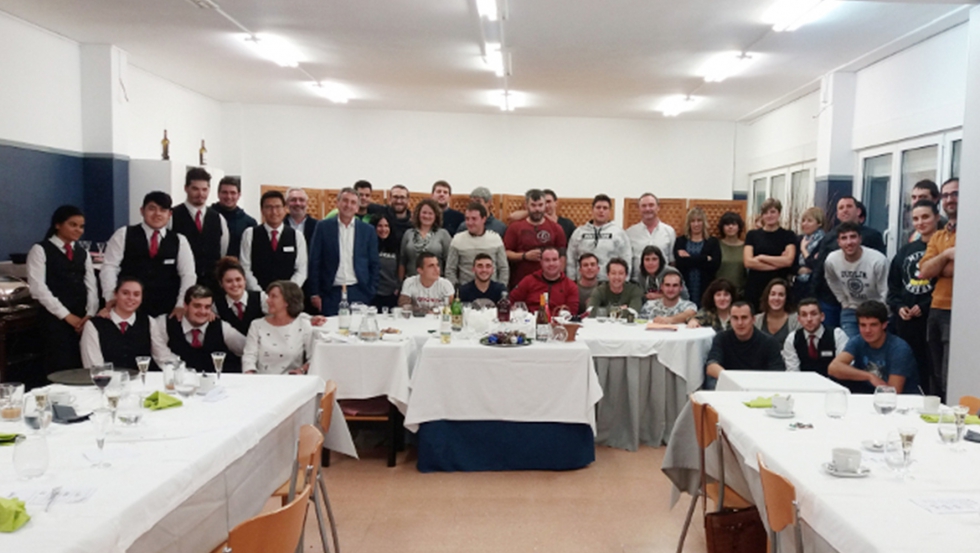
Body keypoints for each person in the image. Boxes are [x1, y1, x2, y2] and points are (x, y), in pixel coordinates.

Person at [101, 191, 196, 318]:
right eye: (152, 209)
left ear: (169, 214)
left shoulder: (179, 240)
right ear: (142, 211)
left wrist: (180, 304)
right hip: (128, 308)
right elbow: (109, 267)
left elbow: (188, 275)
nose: (157, 214)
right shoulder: (123, 234)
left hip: (167, 309)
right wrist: (111, 297)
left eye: (163, 210)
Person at [27, 205, 99, 373]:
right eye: (73, 225)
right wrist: (66, 316)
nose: (78, 230)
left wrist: (90, 313)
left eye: (81, 226)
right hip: (54, 319)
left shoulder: (83, 253)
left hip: (82, 319)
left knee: (82, 365)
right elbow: (38, 288)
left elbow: (91, 286)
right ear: (58, 225)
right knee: (59, 365)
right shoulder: (40, 250)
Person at [813, 195, 887, 328]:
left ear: (858, 211)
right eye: (841, 208)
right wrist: (814, 295)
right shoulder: (829, 237)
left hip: (867, 300)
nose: (845, 210)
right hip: (832, 298)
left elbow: (881, 273)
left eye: (849, 206)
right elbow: (820, 268)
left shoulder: (873, 236)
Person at [888, 200, 938, 390]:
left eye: (925, 217)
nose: (920, 222)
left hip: (932, 318)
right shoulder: (905, 251)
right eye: (916, 218)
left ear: (935, 217)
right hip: (906, 323)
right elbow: (893, 287)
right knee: (908, 367)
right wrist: (899, 307)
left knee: (933, 369)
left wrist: (924, 306)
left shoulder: (941, 248)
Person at [308, 188, 380, 315]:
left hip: (359, 290)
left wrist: (371, 290)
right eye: (345, 201)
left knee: (357, 330)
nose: (348, 205)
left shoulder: (367, 230)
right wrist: (315, 293)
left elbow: (374, 263)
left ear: (357, 208)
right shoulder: (323, 227)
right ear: (337, 203)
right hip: (330, 292)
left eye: (353, 202)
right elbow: (314, 261)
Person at [918, 178, 958, 401]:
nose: (950, 199)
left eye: (955, 194)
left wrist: (940, 265)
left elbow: (961, 268)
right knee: (935, 377)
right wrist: (946, 256)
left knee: (950, 375)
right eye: (945, 195)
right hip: (937, 309)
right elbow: (925, 271)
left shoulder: (973, 232)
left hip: (959, 311)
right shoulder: (939, 236)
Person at [828, 300, 918, 394]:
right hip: (869, 396)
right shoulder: (858, 340)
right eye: (863, 325)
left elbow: (893, 392)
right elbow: (833, 368)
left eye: (873, 325)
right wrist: (869, 376)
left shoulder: (899, 348)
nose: (867, 330)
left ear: (884, 325)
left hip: (905, 402)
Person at [153, 285, 245, 374]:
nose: (202, 311)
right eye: (197, 306)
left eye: (207, 307)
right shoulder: (164, 323)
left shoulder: (222, 327)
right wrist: (187, 374)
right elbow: (162, 358)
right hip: (177, 381)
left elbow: (248, 350)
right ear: (185, 306)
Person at [81, 277, 165, 370]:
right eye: (125, 293)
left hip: (142, 382)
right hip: (108, 382)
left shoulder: (149, 322)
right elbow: (94, 366)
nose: (131, 298)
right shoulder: (93, 325)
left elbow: (162, 356)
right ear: (115, 294)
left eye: (136, 294)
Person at [823, 222, 888, 338]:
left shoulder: (878, 260)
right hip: (852, 308)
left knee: (875, 346)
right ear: (838, 242)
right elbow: (831, 280)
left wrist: (881, 312)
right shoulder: (832, 260)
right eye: (844, 238)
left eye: (853, 237)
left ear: (860, 239)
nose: (849, 242)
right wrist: (843, 300)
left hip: (878, 309)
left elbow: (886, 290)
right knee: (849, 346)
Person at [704, 301, 785, 389]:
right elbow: (711, 366)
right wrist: (733, 382)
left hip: (760, 387)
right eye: (735, 318)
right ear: (730, 320)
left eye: (744, 317)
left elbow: (777, 374)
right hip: (729, 387)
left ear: (753, 320)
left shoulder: (770, 342)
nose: (740, 323)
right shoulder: (721, 338)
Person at [172, 168, 229, 292]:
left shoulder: (218, 218)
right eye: (195, 189)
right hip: (179, 285)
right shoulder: (172, 216)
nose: (200, 194)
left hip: (211, 286)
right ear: (186, 188)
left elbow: (222, 249)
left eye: (204, 189)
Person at [239, 190, 308, 292]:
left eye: (278, 207)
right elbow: (245, 267)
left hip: (287, 297)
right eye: (269, 207)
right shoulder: (250, 234)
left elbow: (301, 270)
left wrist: (286, 292)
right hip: (257, 294)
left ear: (285, 209)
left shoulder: (297, 236)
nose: (274, 212)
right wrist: (258, 291)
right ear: (262, 210)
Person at [242, 281, 316, 374]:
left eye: (274, 296)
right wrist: (250, 375)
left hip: (291, 381)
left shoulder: (303, 325)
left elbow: (314, 357)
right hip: (261, 381)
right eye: (269, 296)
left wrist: (301, 370)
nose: (268, 300)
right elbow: (249, 356)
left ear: (287, 301)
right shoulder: (257, 325)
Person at [504, 189, 568, 288]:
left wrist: (559, 278)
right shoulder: (515, 228)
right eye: (533, 205)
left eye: (540, 205)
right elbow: (506, 253)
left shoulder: (556, 228)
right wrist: (524, 256)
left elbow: (562, 255)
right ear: (526, 206)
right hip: (521, 283)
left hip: (548, 283)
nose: (537, 209)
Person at [743, 198, 797, 310]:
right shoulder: (752, 235)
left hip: (778, 286)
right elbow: (748, 262)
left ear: (779, 213)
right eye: (766, 213)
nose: (769, 215)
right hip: (755, 286)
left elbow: (788, 261)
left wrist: (762, 257)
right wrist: (778, 262)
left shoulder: (788, 235)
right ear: (762, 215)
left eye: (773, 212)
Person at [566, 194, 632, 281]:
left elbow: (626, 258)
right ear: (592, 210)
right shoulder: (579, 232)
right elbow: (571, 258)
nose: (601, 211)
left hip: (609, 283)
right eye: (598, 207)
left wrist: (625, 281)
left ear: (610, 211)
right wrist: (571, 281)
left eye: (605, 208)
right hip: (583, 283)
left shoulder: (619, 233)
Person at [445, 202, 508, 286]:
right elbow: (450, 270)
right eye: (467, 219)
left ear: (484, 219)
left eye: (474, 219)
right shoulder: (457, 240)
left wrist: (500, 289)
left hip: (492, 291)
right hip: (465, 292)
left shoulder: (495, 239)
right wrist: (457, 290)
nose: (470, 223)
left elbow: (503, 268)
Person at [781, 299, 848, 376]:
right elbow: (793, 372)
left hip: (833, 384)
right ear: (799, 319)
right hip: (803, 384)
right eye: (804, 315)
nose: (809, 319)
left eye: (813, 314)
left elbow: (843, 367)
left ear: (822, 316)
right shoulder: (792, 338)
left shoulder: (837, 334)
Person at [509, 247, 579, 315]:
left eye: (554, 260)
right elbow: (511, 301)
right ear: (541, 262)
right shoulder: (528, 281)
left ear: (560, 261)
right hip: (530, 322)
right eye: (547, 260)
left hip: (559, 324)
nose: (551, 264)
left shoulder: (570, 286)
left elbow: (572, 312)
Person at [673, 207, 720, 308]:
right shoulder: (681, 241)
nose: (696, 224)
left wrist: (689, 258)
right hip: (684, 288)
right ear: (688, 224)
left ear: (704, 223)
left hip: (706, 288)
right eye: (693, 221)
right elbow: (681, 264)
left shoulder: (712, 242)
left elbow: (714, 266)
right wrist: (704, 259)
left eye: (699, 221)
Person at [626, 193, 677, 278]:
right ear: (639, 209)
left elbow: (672, 261)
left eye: (651, 205)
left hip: (662, 283)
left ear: (658, 208)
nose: (647, 209)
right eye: (644, 206)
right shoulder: (630, 233)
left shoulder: (669, 231)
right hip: (637, 283)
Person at [213, 257, 266, 336]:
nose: (235, 284)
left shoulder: (261, 298)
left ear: (244, 280)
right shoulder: (216, 306)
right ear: (221, 284)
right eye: (229, 281)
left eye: (238, 280)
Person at [400, 198, 452, 278]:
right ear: (418, 214)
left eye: (430, 213)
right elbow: (402, 261)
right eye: (424, 213)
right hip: (411, 281)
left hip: (436, 282)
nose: (427, 216)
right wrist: (400, 283)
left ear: (436, 216)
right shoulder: (408, 233)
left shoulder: (443, 234)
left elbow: (449, 262)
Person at [211, 176, 257, 259]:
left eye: (233, 193)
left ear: (239, 195)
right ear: (218, 194)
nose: (228, 196)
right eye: (225, 192)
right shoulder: (207, 217)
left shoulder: (249, 223)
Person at [507, 189, 576, 241]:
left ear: (556, 203)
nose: (546, 205)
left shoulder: (567, 224)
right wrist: (536, 210)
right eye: (543, 203)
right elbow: (512, 217)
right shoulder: (534, 221)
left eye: (548, 202)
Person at [753, 278, 801, 345]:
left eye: (781, 295)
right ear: (767, 297)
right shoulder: (756, 320)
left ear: (786, 298)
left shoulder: (796, 320)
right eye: (773, 294)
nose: (776, 298)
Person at [792, 207, 825, 303]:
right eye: (803, 221)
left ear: (819, 223)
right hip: (799, 287)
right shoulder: (799, 239)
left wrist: (804, 250)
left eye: (809, 221)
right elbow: (791, 264)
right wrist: (799, 269)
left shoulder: (824, 242)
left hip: (816, 289)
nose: (804, 224)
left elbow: (817, 266)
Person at [371, 212, 402, 310]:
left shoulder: (396, 245)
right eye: (379, 226)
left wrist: (398, 287)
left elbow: (400, 267)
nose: (383, 229)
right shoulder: (368, 246)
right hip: (374, 294)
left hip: (392, 294)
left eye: (386, 226)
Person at [715, 211, 747, 296]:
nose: (730, 227)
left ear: (739, 227)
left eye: (734, 224)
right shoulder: (716, 245)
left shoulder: (746, 247)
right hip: (719, 292)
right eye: (727, 224)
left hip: (740, 292)